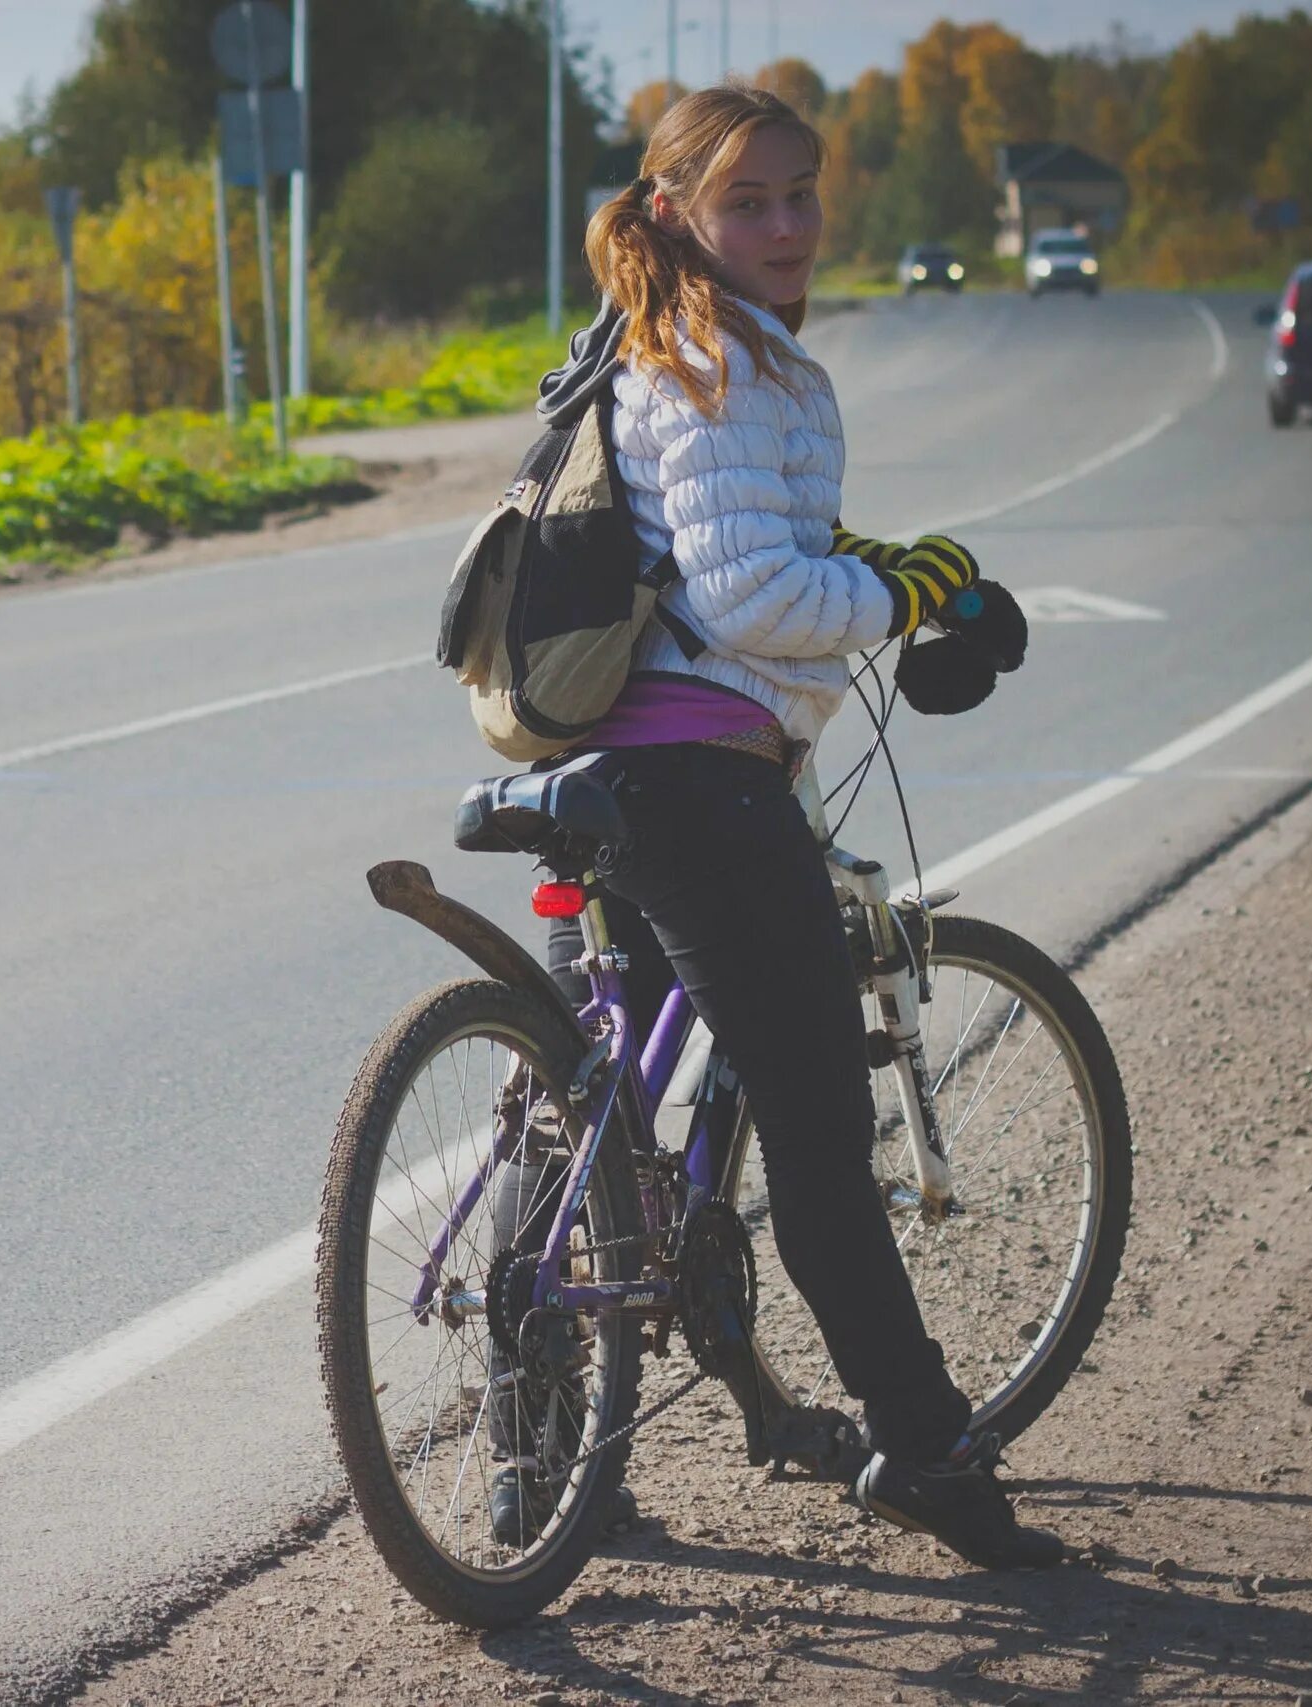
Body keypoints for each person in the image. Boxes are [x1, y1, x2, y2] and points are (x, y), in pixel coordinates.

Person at [516, 83, 1062, 1569]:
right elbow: (755, 598)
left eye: (802, 193)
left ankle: (545, 1461)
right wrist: (898, 601)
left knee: (604, 1095)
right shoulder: (720, 362)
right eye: (748, 201)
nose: (784, 225)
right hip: (704, 780)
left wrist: (922, 571)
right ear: (679, 210)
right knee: (822, 1137)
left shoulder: (665, 343)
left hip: (627, 762)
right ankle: (930, 1456)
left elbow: (738, 555)